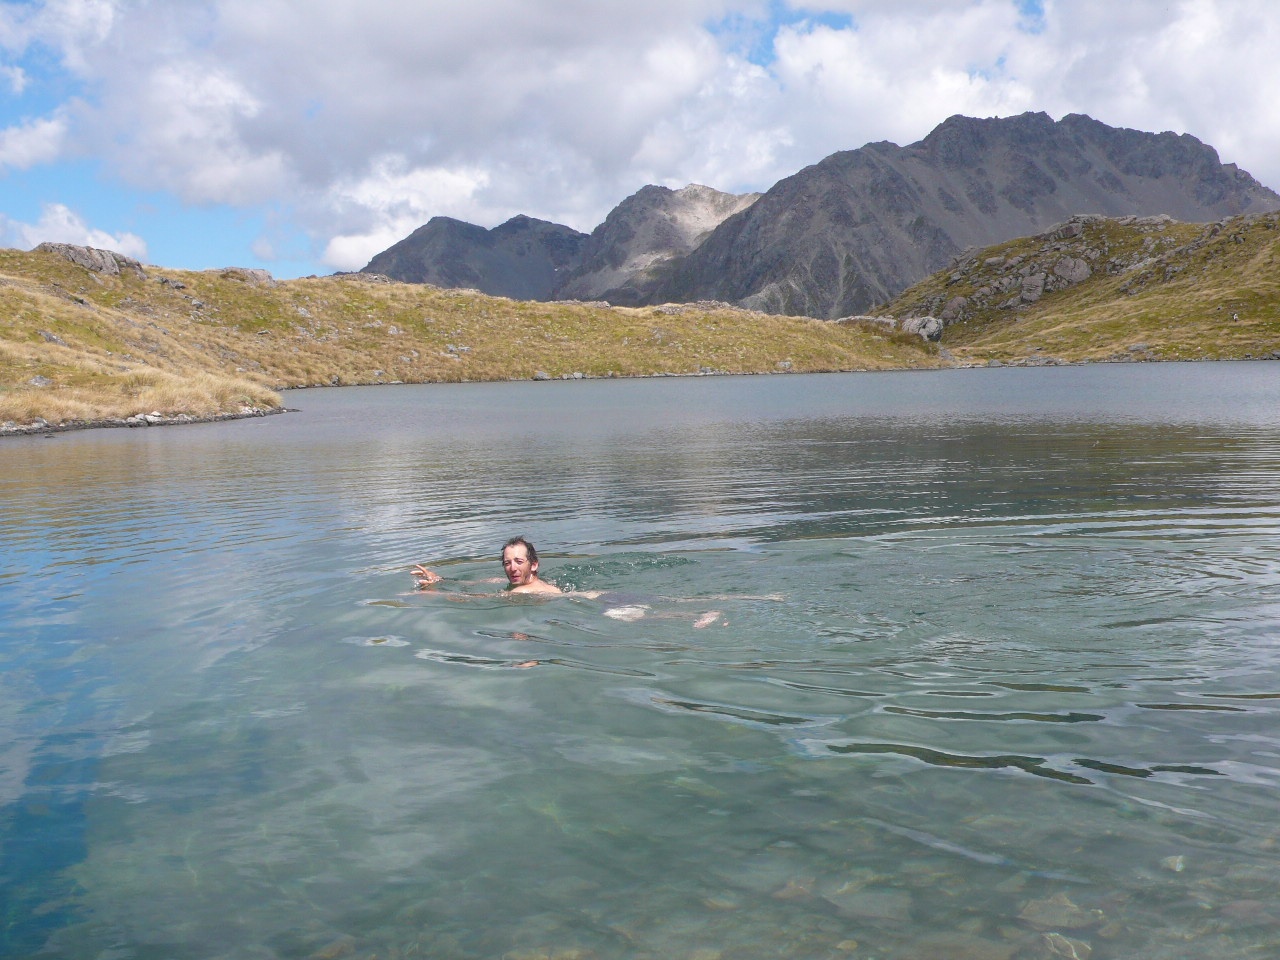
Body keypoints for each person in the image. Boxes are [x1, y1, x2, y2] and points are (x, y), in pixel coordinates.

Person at [413, 535, 562, 595]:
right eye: (507, 563)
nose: (512, 568)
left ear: (534, 565)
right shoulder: (543, 585)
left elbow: (475, 599)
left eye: (519, 562)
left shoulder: (521, 591)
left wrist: (436, 593)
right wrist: (438, 580)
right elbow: (472, 584)